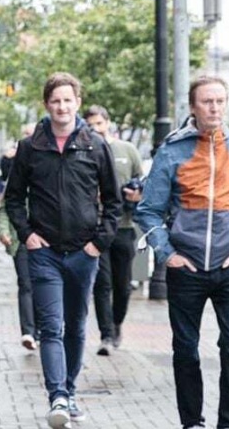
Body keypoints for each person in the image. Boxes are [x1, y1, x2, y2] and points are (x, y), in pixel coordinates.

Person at [135, 75, 229, 429]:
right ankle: (192, 422)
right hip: (186, 268)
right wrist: (167, 254)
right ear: (193, 107)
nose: (214, 107)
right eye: (207, 101)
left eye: (220, 101)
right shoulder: (173, 151)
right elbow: (147, 209)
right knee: (185, 349)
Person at [4, 72, 121, 429]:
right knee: (51, 327)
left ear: (78, 103)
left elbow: (114, 202)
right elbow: (13, 198)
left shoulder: (96, 145)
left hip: (83, 254)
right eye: (55, 101)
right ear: (46, 104)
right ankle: (56, 395)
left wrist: (97, 243)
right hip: (45, 253)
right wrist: (27, 235)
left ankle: (69, 391)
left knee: (76, 326)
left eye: (68, 100)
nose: (62, 107)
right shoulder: (31, 147)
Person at [84, 105, 144, 356]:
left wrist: (136, 194)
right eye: (90, 125)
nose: (95, 129)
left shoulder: (127, 150)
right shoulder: (84, 151)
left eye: (99, 123)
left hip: (125, 226)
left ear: (108, 123)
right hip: (96, 228)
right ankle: (106, 335)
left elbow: (141, 183)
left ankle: (117, 323)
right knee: (102, 284)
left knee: (122, 285)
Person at [0, 196, 37, 351]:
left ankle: (41, 329)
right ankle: (28, 332)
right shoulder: (18, 176)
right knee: (26, 284)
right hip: (21, 241)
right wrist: (3, 231)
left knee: (42, 284)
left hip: (46, 241)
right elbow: (5, 209)